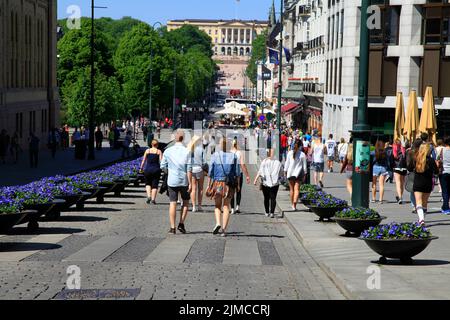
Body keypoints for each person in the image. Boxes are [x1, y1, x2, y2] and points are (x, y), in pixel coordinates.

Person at [160, 129, 192, 234]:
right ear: (183, 139)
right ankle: (181, 223)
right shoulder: (187, 151)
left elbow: (163, 166)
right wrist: (190, 183)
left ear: (175, 138)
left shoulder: (168, 151)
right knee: (186, 202)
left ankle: (172, 227)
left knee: (173, 203)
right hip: (184, 181)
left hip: (172, 180)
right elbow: (189, 169)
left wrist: (169, 171)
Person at [207, 137, 238, 237]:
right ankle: (224, 230)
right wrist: (237, 185)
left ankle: (218, 223)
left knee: (217, 205)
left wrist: (209, 185)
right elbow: (236, 172)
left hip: (218, 183)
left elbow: (210, 172)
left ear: (220, 145)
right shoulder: (233, 156)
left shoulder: (215, 155)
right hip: (228, 184)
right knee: (226, 206)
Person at [408, 143, 439, 225]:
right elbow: (436, 172)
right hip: (428, 183)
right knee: (425, 203)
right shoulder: (431, 160)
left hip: (418, 183)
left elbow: (409, 168)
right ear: (428, 150)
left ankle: (421, 219)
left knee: (418, 202)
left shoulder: (416, 159)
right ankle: (422, 219)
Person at [254, 149, 283, 218]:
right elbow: (281, 173)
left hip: (265, 182)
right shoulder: (278, 163)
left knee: (266, 198)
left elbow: (260, 171)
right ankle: (272, 212)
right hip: (275, 183)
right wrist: (279, 177)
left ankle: (267, 212)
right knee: (273, 197)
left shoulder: (264, 161)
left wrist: (255, 179)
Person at [284, 140, 307, 211]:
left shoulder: (290, 153)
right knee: (296, 189)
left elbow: (287, 163)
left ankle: (292, 205)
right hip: (298, 174)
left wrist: (285, 171)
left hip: (290, 173)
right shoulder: (302, 154)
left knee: (291, 189)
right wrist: (305, 174)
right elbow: (304, 166)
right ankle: (294, 204)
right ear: (300, 146)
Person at [230, 137, 250, 215]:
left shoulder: (229, 153)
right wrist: (247, 175)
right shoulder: (240, 153)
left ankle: (232, 208)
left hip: (231, 174)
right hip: (239, 174)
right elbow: (242, 165)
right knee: (239, 190)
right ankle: (238, 206)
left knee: (231, 191)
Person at [140, 139, 163, 205]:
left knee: (148, 184)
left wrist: (141, 168)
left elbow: (143, 161)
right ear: (157, 145)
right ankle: (153, 199)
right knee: (155, 185)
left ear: (151, 144)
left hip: (148, 169)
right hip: (156, 169)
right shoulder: (159, 151)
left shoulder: (147, 151)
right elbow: (161, 162)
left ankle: (149, 196)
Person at [188, 136, 206, 213]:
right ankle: (199, 206)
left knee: (193, 188)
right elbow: (205, 161)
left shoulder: (190, 149)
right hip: (200, 169)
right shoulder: (201, 149)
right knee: (201, 188)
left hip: (192, 169)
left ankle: (194, 206)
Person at [393, 139, 408, 204]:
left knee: (398, 183)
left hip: (397, 168)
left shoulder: (394, 150)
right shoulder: (404, 150)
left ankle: (400, 197)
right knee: (402, 183)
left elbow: (392, 159)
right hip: (404, 168)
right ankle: (400, 196)